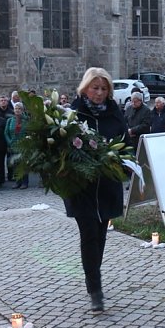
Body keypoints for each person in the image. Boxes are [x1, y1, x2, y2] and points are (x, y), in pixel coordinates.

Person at [64, 67, 128, 313]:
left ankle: (94, 276)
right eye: (95, 88)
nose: (99, 93)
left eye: (104, 89)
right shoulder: (74, 115)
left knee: (100, 237)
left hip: (108, 187)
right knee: (89, 234)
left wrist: (123, 164)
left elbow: (126, 145)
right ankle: (95, 289)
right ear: (85, 88)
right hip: (83, 188)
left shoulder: (115, 114)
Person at [4, 102, 29, 189]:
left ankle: (25, 182)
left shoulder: (26, 120)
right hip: (13, 145)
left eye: (19, 109)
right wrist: (9, 142)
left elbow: (29, 132)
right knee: (15, 164)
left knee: (23, 164)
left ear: (22, 110)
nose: (17, 110)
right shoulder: (10, 120)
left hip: (23, 145)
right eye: (16, 109)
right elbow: (6, 132)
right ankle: (17, 181)